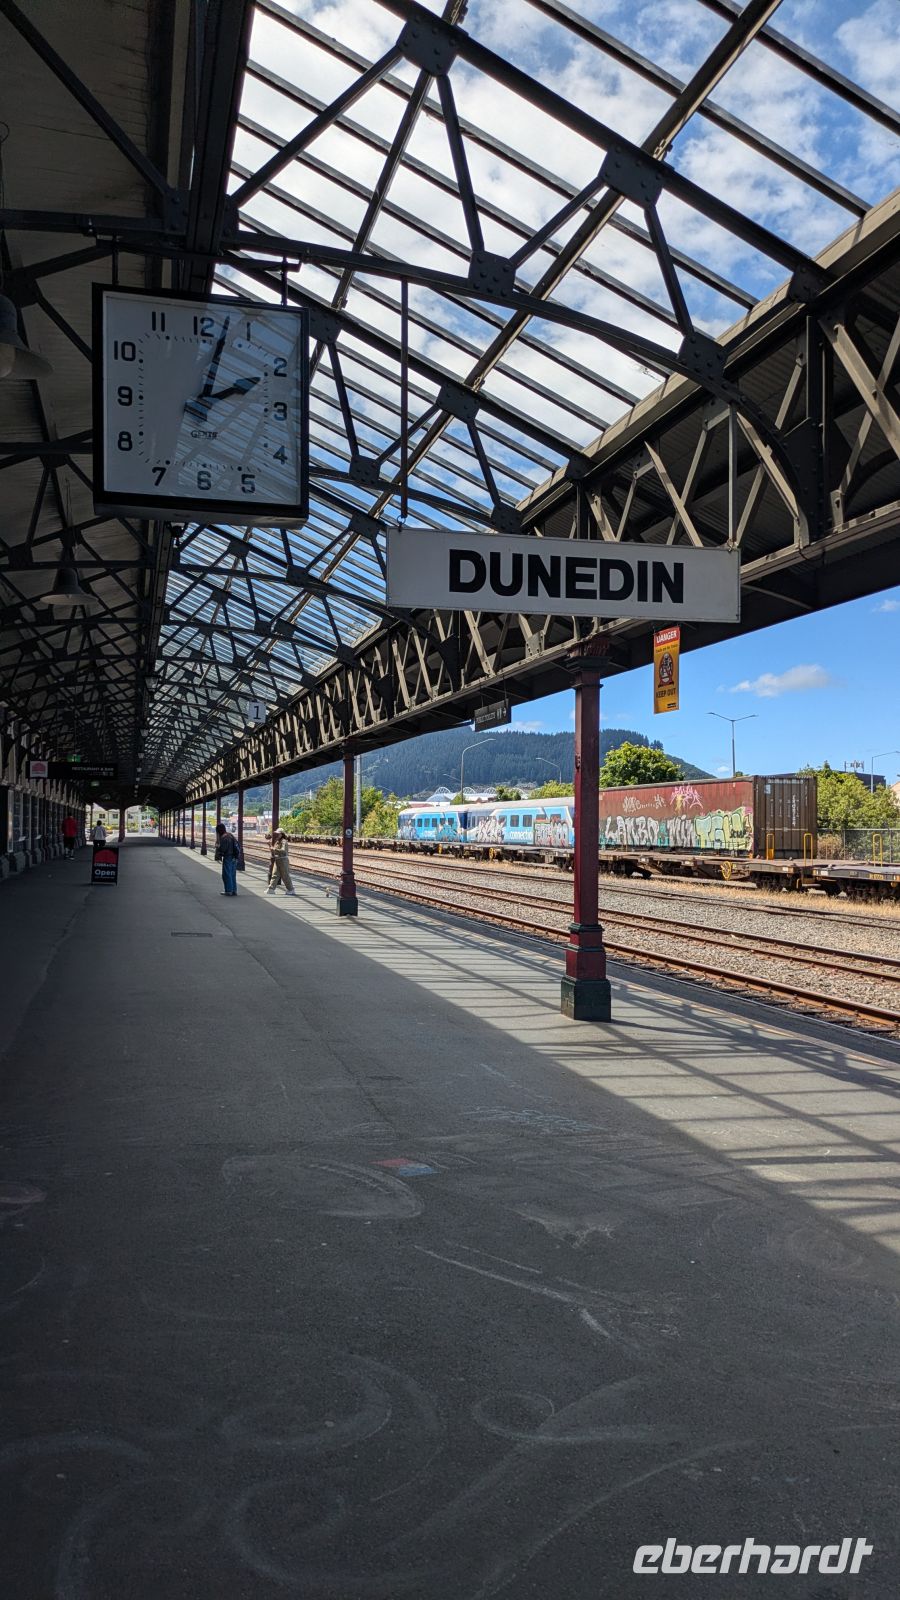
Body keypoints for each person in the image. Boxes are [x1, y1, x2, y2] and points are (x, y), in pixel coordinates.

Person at [266, 829, 296, 896]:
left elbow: (283, 851)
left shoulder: (284, 841)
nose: (277, 835)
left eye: (278, 833)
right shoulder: (277, 841)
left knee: (285, 875)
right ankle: (271, 889)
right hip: (278, 860)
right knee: (275, 875)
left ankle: (291, 889)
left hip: (283, 860)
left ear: (281, 834)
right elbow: (273, 851)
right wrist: (270, 845)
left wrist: (274, 849)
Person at [214, 822, 240, 896]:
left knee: (226, 874)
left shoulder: (224, 837)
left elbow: (223, 849)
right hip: (235, 857)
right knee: (232, 874)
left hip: (228, 857)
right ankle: (234, 890)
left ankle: (228, 890)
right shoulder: (230, 835)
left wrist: (218, 847)